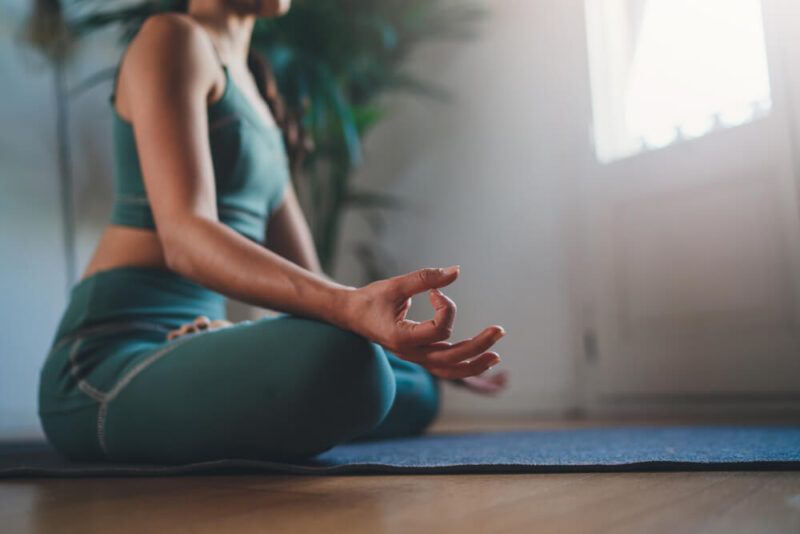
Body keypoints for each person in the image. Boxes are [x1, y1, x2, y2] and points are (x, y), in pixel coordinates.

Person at [39, 0, 507, 464]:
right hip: (106, 363)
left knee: (411, 386)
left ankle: (224, 367)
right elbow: (185, 239)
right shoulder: (173, 37)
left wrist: (400, 338)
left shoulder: (257, 91)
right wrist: (353, 315)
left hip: (191, 339)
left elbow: (312, 281)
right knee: (353, 365)